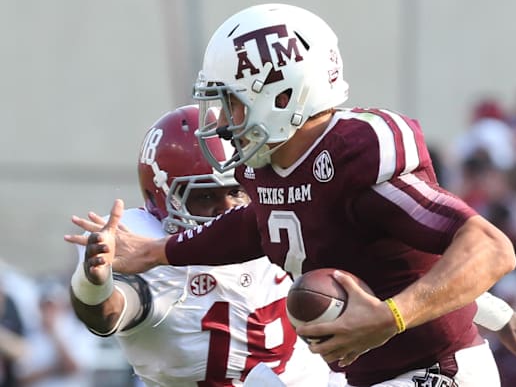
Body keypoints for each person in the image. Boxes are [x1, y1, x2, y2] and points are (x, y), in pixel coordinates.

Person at [66, 4, 516, 386]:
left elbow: (488, 247)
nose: (224, 124)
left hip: (433, 371)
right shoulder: (269, 169)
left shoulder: (352, 152)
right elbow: (259, 229)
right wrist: (157, 251)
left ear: (279, 93)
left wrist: (391, 317)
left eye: (230, 103)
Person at [68, 105, 331, 386]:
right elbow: (108, 314)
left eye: (236, 191)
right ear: (161, 195)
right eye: (206, 197)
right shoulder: (142, 244)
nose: (228, 209)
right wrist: (95, 284)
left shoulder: (281, 224)